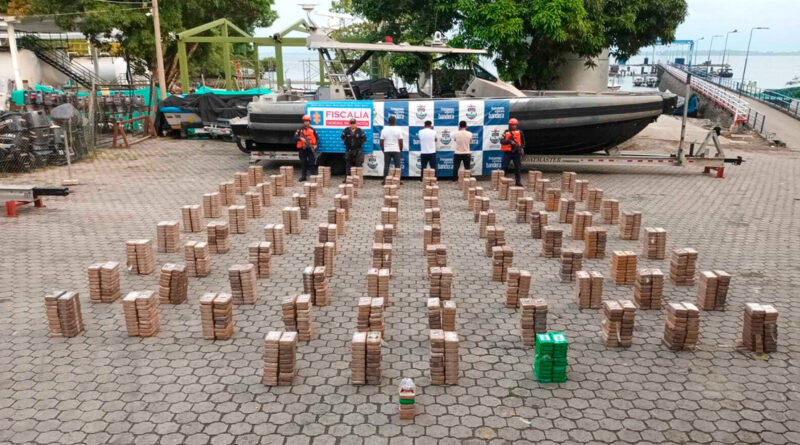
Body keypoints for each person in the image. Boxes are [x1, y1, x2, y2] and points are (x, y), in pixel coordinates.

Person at [501, 117, 525, 186]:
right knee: (504, 167)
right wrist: (509, 141)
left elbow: (523, 143)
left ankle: (518, 182)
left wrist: (521, 148)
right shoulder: (506, 132)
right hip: (507, 153)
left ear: (517, 125)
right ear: (509, 125)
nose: (513, 126)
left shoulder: (520, 132)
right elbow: (501, 141)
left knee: (518, 168)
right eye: (512, 125)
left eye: (514, 125)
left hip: (516, 152)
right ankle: (502, 181)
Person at [294, 115, 319, 181]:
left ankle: (313, 177)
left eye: (307, 121)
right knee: (303, 163)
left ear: (309, 121)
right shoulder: (300, 130)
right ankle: (303, 177)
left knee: (312, 163)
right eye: (305, 121)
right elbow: (295, 137)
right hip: (303, 149)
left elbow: (317, 138)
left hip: (310, 149)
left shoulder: (313, 130)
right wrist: (300, 138)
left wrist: (315, 145)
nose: (306, 122)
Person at [380, 115, 403, 181]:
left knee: (386, 166)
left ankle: (384, 180)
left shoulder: (384, 130)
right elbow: (401, 141)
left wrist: (383, 150)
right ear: (395, 121)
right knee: (397, 167)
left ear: (388, 121)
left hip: (387, 150)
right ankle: (398, 181)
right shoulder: (398, 129)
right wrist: (400, 150)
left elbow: (381, 142)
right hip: (396, 150)